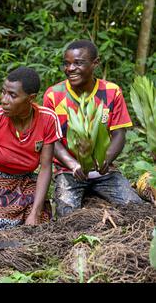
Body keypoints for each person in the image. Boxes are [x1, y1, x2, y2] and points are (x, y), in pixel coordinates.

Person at [43, 39, 142, 217]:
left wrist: (106, 158)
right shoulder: (54, 95)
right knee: (67, 215)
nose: (70, 69)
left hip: (105, 171)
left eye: (78, 63)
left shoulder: (111, 91)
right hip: (68, 171)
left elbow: (119, 133)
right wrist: (73, 164)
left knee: (135, 207)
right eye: (67, 64)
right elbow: (52, 140)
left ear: (95, 63)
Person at [0, 67, 61, 230]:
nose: (4, 100)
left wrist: (36, 211)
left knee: (40, 222)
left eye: (12, 95)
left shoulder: (48, 119)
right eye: (4, 92)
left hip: (27, 179)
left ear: (31, 98)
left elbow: (46, 167)